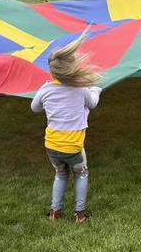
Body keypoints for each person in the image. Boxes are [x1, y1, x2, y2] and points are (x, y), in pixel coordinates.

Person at [31, 33, 102, 224]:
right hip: (73, 146)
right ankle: (79, 214)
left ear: (52, 71)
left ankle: (56, 211)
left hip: (52, 146)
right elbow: (92, 103)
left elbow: (34, 108)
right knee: (81, 174)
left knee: (60, 174)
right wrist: (96, 89)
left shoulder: (46, 89)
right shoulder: (80, 88)